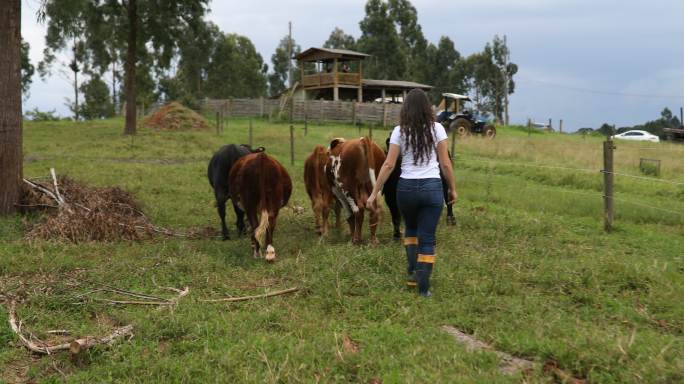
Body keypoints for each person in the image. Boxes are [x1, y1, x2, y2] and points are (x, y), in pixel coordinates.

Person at [367, 88, 457, 297]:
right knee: (427, 238)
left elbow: (389, 164)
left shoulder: (399, 131)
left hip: (406, 189)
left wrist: (374, 193)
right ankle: (424, 289)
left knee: (411, 230)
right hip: (432, 188)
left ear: (406, 109)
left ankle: (412, 274)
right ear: (428, 108)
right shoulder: (438, 129)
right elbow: (445, 163)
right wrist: (452, 188)